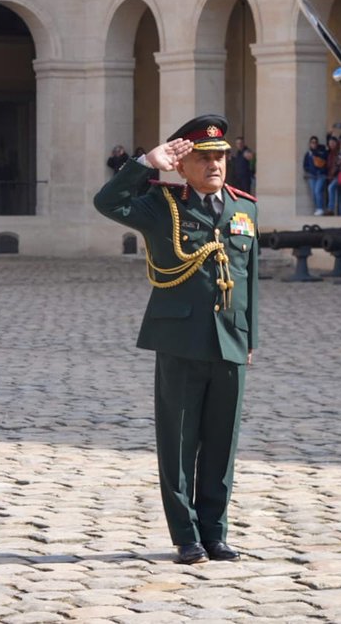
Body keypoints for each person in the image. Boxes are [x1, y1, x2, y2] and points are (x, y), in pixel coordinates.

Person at [93, 114, 259, 566]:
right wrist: (147, 162)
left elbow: (250, 280)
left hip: (229, 340)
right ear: (183, 165)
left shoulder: (245, 209)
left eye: (220, 156)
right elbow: (107, 202)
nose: (214, 165)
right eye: (204, 158)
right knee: (179, 441)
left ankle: (216, 532)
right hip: (180, 338)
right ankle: (186, 535)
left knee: (222, 444)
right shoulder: (162, 204)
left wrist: (250, 336)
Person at [302, 135, 329, 215]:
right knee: (314, 192)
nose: (314, 144)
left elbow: (325, 161)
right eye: (312, 142)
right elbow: (305, 165)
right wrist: (309, 171)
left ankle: (320, 208)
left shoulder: (322, 151)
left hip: (321, 175)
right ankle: (317, 208)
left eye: (315, 142)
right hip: (312, 176)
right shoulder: (308, 154)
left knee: (318, 191)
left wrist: (317, 154)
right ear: (310, 144)